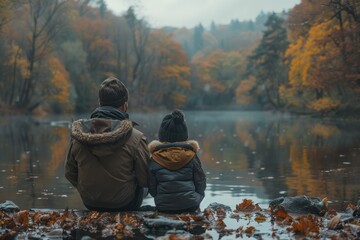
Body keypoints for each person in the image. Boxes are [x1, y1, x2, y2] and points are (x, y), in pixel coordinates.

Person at [65, 76, 149, 212]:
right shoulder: (136, 137)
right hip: (125, 203)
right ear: (124, 106)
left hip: (90, 202)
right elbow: (144, 179)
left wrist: (87, 190)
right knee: (146, 187)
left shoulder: (78, 135)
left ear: (100, 103)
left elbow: (70, 173)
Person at [148, 109, 206, 213]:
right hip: (191, 205)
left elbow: (152, 188)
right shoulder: (192, 156)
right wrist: (196, 197)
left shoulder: (155, 157)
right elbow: (201, 183)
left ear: (161, 136)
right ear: (184, 135)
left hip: (163, 206)